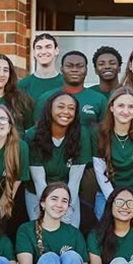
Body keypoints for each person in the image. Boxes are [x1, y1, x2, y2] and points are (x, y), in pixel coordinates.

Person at [93, 87, 133, 225]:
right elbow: (100, 172)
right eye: (120, 105)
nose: (125, 111)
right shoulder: (99, 132)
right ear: (111, 107)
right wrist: (115, 202)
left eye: (131, 106)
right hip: (108, 193)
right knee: (106, 229)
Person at [26, 92, 90, 228]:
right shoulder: (33, 135)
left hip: (68, 193)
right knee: (42, 231)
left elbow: (75, 180)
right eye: (60, 107)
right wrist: (48, 210)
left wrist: (66, 208)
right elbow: (39, 180)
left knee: (70, 228)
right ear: (50, 109)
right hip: (38, 193)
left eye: (71, 108)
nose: (66, 112)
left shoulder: (81, 134)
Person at [35, 51, 108, 129]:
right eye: (69, 66)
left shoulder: (99, 99)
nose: (74, 70)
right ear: (61, 70)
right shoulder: (46, 98)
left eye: (79, 66)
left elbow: (105, 131)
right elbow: (38, 129)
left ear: (86, 70)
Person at [18, 33, 63, 101]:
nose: (43, 52)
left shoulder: (66, 83)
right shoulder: (23, 85)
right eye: (39, 48)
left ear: (56, 51)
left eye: (48, 47)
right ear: (34, 53)